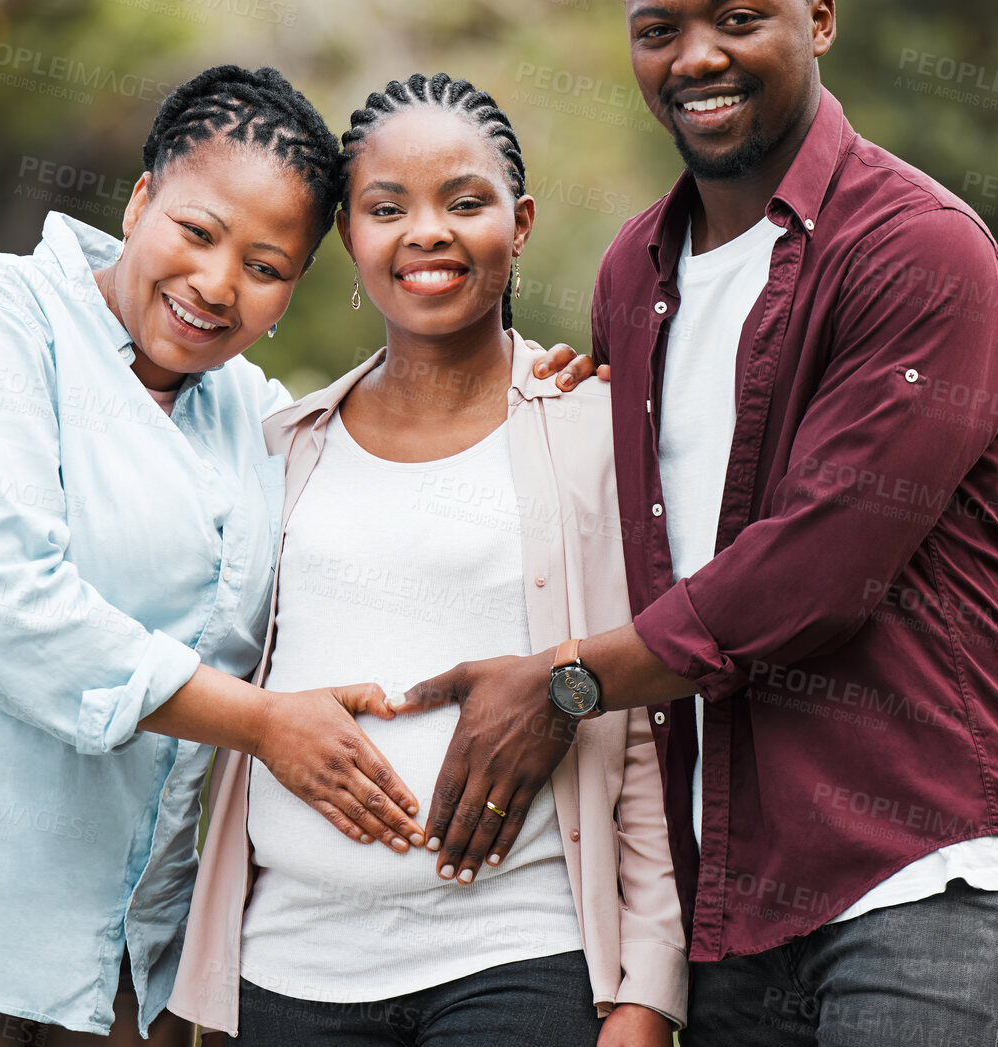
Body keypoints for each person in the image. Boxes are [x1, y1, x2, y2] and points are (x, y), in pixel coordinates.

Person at [0, 63, 597, 1046]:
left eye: (267, 267)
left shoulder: (260, 422)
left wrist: (538, 390)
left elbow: (388, 518)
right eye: (197, 233)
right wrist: (263, 723)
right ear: (142, 198)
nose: (217, 284)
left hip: (110, 964)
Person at [399, 0, 998, 1046]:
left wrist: (565, 681)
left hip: (924, 869)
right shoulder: (631, 274)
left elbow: (819, 565)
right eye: (658, 30)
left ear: (818, 20)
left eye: (737, 16)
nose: (695, 56)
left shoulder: (918, 250)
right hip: (731, 897)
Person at [168, 74, 686, 1046]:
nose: (427, 231)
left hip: (517, 959)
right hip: (288, 966)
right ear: (349, 237)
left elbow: (651, 710)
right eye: (386, 207)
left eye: (465, 200)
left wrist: (648, 988)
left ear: (520, 221)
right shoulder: (282, 447)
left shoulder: (590, 433)